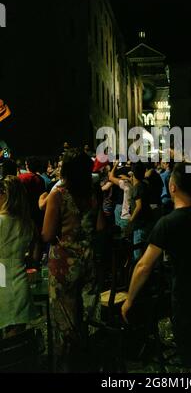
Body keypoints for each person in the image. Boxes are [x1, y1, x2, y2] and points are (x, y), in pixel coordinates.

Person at [122, 162, 191, 373]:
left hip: (187, 302)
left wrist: (130, 300)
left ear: (172, 188)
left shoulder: (167, 224)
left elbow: (143, 266)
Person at [42, 149, 105, 372]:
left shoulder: (58, 194)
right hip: (88, 260)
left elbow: (48, 235)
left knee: (64, 320)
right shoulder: (93, 192)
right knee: (86, 317)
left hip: (63, 265)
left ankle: (66, 366)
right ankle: (88, 362)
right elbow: (100, 227)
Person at [0, 176, 36, 337]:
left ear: (5, 196)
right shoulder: (27, 224)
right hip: (20, 283)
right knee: (16, 342)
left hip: (2, 281)